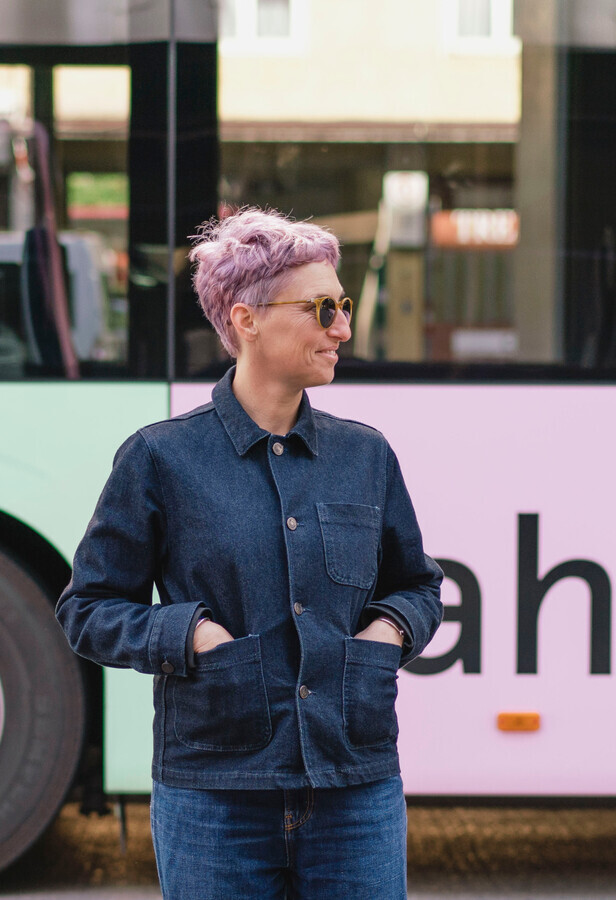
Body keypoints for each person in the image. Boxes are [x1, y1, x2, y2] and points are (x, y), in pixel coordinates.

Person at [56, 208, 445, 899]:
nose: (343, 329)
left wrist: (388, 631)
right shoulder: (160, 458)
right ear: (246, 320)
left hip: (355, 786)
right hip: (215, 796)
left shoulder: (366, 454)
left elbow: (416, 586)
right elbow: (87, 609)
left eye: (345, 306)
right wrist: (188, 635)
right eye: (323, 308)